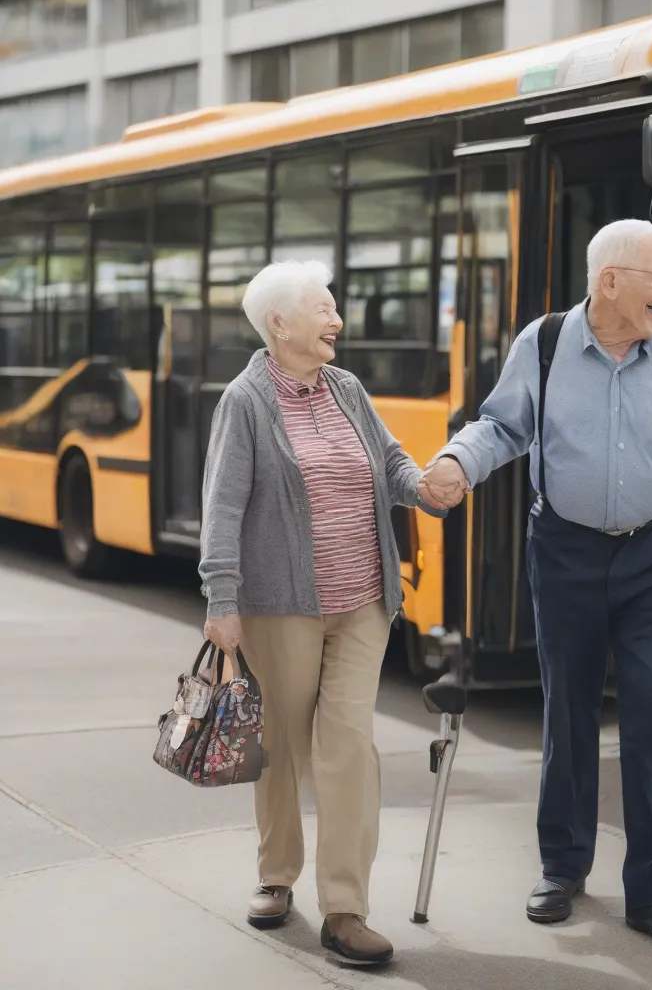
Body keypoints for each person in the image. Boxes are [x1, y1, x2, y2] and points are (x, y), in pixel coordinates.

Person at [422, 219, 652, 948]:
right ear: (611, 280)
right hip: (565, 551)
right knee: (568, 708)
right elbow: (498, 425)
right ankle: (562, 866)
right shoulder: (547, 343)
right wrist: (459, 464)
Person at [198, 260, 448, 966]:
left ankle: (346, 908)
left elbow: (391, 463)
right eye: (324, 310)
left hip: (364, 600)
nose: (337, 322)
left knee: (347, 746)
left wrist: (426, 488)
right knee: (279, 744)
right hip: (282, 606)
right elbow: (222, 506)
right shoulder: (245, 402)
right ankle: (277, 878)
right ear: (279, 324)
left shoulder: (346, 389)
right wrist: (222, 599)